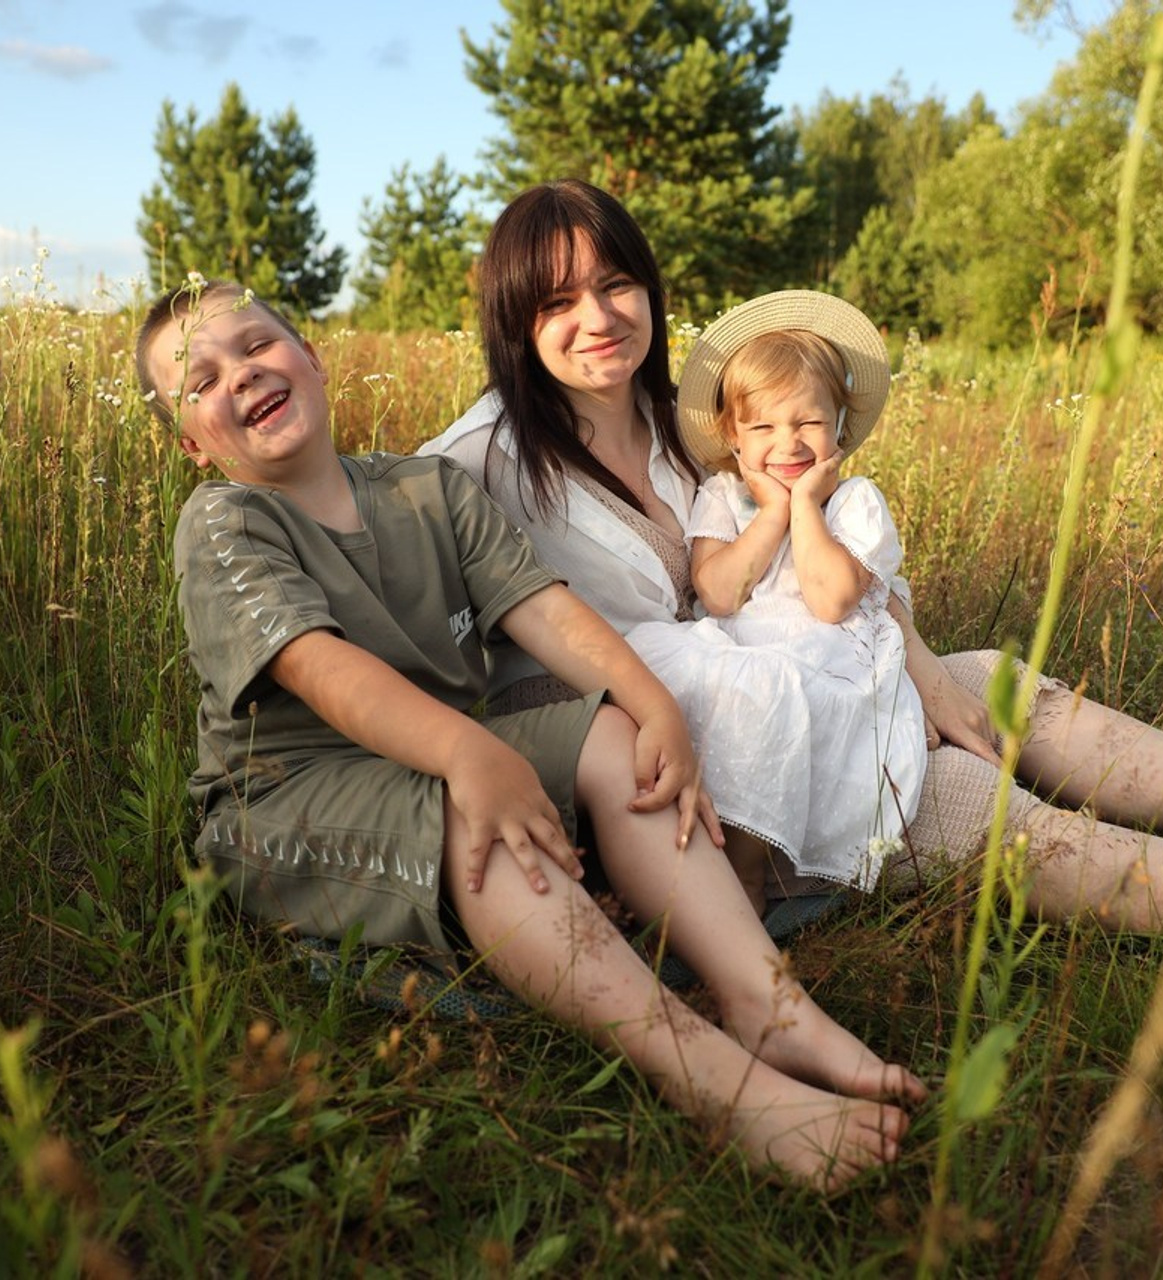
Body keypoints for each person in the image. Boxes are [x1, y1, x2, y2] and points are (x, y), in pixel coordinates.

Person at [136, 278, 929, 1192]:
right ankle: (719, 1083)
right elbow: (323, 669)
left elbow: (545, 610)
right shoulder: (227, 521)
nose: (238, 375)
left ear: (311, 360)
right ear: (194, 442)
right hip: (292, 795)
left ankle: (766, 1001)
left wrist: (652, 706)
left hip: (440, 752)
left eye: (256, 347)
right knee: (482, 815)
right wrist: (473, 754)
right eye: (200, 381)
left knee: (608, 739)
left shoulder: (423, 488)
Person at [422, 178, 1163, 938]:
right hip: (658, 746)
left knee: (993, 684)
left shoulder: (691, 425)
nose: (599, 318)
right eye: (558, 303)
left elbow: (819, 563)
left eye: (616, 285)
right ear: (515, 320)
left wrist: (924, 671)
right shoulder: (474, 460)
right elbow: (374, 582)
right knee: (965, 801)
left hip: (784, 671)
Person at [624, 294, 928, 914]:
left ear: (839, 426)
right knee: (676, 666)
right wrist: (769, 512)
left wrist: (805, 508)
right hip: (732, 652)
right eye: (762, 427)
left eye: (808, 424)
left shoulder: (856, 503)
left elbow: (831, 601)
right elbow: (717, 591)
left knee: (773, 689)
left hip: (822, 666)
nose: (787, 444)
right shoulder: (723, 497)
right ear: (733, 437)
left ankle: (748, 881)